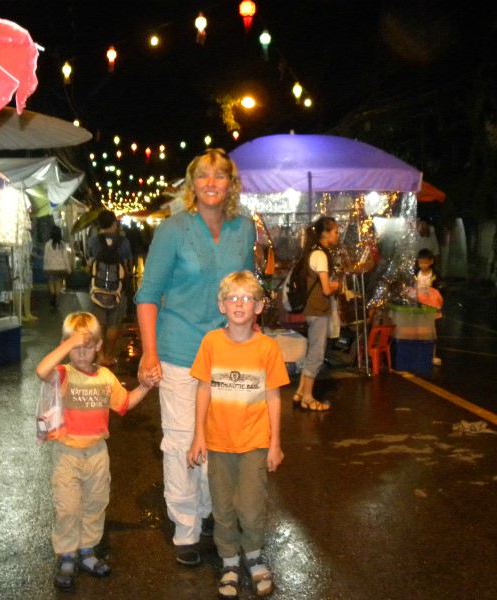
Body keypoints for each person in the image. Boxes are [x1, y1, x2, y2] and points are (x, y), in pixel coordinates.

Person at [135, 148, 256, 567]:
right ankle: (186, 526)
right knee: (183, 440)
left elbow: (248, 290)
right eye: (202, 175)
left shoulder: (245, 229)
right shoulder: (173, 229)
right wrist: (149, 353)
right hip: (179, 351)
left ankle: (208, 512)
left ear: (231, 184)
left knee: (220, 440)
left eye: (219, 176)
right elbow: (149, 295)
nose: (210, 183)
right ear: (192, 184)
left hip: (228, 354)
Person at [188, 271, 289, 598]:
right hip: (218, 442)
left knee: (251, 505)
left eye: (247, 298)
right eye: (233, 297)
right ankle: (229, 561)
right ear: (222, 305)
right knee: (223, 506)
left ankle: (255, 557)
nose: (239, 304)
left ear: (259, 306)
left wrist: (275, 443)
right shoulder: (211, 343)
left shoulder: (268, 348)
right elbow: (203, 389)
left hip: (255, 443)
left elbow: (273, 397)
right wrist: (198, 436)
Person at [35, 312, 152, 592]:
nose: (82, 352)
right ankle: (66, 554)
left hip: (98, 453)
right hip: (67, 454)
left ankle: (87, 551)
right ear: (66, 344)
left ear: (99, 345)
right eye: (75, 346)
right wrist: (69, 343)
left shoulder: (106, 378)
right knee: (67, 507)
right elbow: (41, 370)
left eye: (88, 345)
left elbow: (125, 404)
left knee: (94, 505)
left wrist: (146, 386)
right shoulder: (63, 374)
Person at [293, 216, 341, 411]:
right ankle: (307, 397)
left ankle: (299, 392)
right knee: (317, 355)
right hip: (318, 310)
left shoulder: (312, 252)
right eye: (335, 232)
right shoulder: (321, 255)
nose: (337, 236)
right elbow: (326, 289)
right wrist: (336, 285)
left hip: (312, 309)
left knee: (312, 351)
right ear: (325, 234)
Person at [87, 209, 133, 367]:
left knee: (98, 325)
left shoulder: (93, 241)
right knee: (114, 324)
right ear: (114, 224)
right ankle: (109, 355)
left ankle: (99, 356)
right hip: (117, 290)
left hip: (97, 290)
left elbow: (90, 261)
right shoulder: (124, 242)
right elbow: (128, 264)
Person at [413, 248, 443, 366]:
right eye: (421, 262)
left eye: (425, 262)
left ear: (431, 262)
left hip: (431, 307)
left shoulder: (435, 275)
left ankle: (432, 355)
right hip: (419, 307)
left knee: (432, 332)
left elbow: (438, 292)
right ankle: (419, 354)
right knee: (419, 331)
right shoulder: (417, 274)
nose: (423, 265)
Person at [43, 225, 72, 308]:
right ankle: (56, 297)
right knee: (59, 283)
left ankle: (53, 295)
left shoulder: (47, 244)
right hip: (60, 268)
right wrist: (68, 269)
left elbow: (45, 257)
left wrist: (44, 267)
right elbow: (65, 257)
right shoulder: (62, 244)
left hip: (50, 268)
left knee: (51, 282)